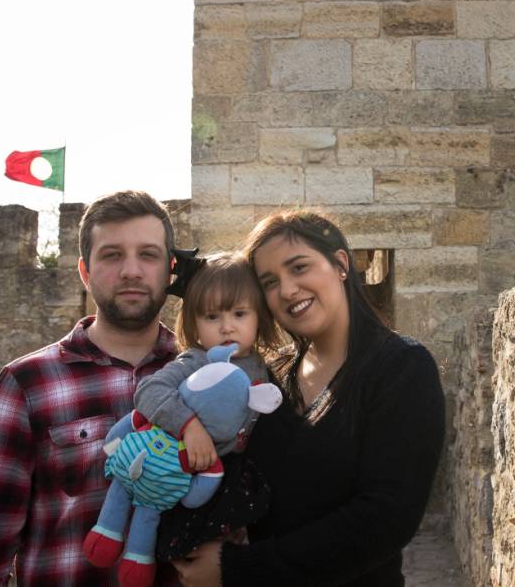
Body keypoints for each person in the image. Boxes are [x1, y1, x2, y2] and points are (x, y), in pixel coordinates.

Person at [171, 211, 446, 586]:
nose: (286, 290)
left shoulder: (401, 368)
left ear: (340, 264)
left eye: (299, 267)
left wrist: (237, 569)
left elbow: (386, 519)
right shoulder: (268, 377)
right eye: (269, 282)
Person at [0, 190, 179, 586]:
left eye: (148, 254)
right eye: (111, 255)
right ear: (84, 273)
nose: (131, 270)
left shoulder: (200, 379)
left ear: (170, 270)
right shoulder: (27, 383)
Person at [126, 251, 279, 564]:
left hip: (235, 485)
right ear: (194, 323)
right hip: (191, 477)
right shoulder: (196, 361)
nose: (226, 328)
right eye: (212, 317)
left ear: (258, 316)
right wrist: (189, 426)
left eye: (239, 314)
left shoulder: (265, 367)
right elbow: (149, 391)